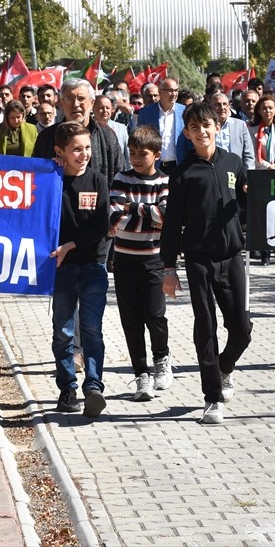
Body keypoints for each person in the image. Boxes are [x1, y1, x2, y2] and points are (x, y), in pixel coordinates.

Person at [160, 102, 253, 425]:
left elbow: (248, 202)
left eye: (207, 126)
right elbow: (171, 223)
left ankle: (224, 368)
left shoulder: (233, 162)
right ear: (187, 133)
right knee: (206, 326)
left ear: (218, 127)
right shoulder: (183, 173)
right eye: (195, 128)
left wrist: (252, 196)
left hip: (232, 257)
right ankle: (212, 397)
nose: (202, 132)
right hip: (198, 258)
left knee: (242, 329)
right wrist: (168, 268)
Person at [49, 122, 111, 419]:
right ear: (60, 152)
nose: (83, 154)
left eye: (87, 148)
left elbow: (101, 226)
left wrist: (70, 245)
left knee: (91, 330)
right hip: (61, 270)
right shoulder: (50, 180)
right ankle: (67, 389)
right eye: (76, 149)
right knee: (62, 331)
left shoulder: (98, 181)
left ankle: (94, 387)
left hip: (93, 266)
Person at [109, 126, 173, 402]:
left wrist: (133, 208)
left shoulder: (165, 181)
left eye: (142, 154)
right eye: (132, 153)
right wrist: (149, 214)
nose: (135, 158)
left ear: (156, 155)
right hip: (124, 260)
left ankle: (162, 358)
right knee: (131, 320)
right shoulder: (121, 178)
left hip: (154, 260)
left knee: (155, 315)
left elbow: (166, 216)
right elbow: (114, 221)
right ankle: (141, 373)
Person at [33, 78, 123, 188]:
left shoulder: (108, 136)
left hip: (98, 201)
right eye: (70, 99)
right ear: (61, 104)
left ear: (92, 103)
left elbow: (120, 175)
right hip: (58, 202)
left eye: (81, 99)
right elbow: (35, 176)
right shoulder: (46, 137)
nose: (75, 104)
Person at [252, 93, 275, 265]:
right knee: (263, 214)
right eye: (264, 108)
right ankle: (264, 251)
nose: (267, 110)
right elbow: (252, 155)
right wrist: (267, 166)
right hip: (261, 175)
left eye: (270, 108)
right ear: (259, 111)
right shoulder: (251, 129)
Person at [135, 78, 188, 174]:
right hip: (154, 166)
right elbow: (140, 140)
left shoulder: (185, 112)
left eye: (176, 90)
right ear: (160, 92)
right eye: (170, 90)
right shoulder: (146, 113)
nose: (174, 94)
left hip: (179, 166)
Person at [209, 92, 255, 170]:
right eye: (218, 104)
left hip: (236, 171)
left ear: (229, 106)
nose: (222, 107)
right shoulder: (207, 127)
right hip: (214, 171)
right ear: (210, 107)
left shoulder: (240, 125)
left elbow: (249, 153)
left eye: (225, 104)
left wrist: (248, 175)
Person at [94, 94, 129, 168]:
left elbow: (127, 154)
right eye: (101, 108)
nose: (105, 111)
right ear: (93, 108)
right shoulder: (87, 128)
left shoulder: (121, 128)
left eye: (107, 108)